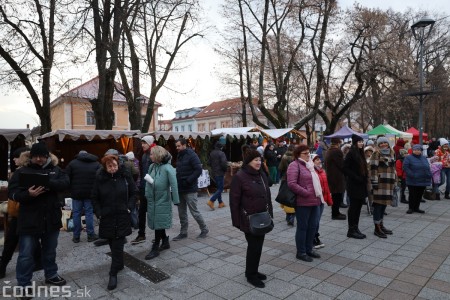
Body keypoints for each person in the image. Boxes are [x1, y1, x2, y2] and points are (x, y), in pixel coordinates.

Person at [8, 142, 70, 291]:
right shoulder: (21, 171)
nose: (39, 159)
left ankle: (51, 275)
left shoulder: (55, 169)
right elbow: (13, 193)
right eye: (35, 156)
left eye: (41, 156)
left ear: (47, 156)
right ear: (31, 157)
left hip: (51, 218)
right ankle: (23, 284)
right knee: (26, 254)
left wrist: (48, 183)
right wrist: (28, 195)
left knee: (50, 250)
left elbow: (66, 183)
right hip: (29, 220)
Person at [230, 149, 273, 288]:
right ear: (249, 162)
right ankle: (251, 275)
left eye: (260, 160)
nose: (259, 162)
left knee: (258, 246)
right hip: (248, 219)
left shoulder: (261, 175)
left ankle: (253, 271)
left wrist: (270, 214)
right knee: (254, 247)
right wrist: (236, 221)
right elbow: (234, 201)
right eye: (256, 160)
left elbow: (267, 195)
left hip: (262, 217)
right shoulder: (240, 177)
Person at [92, 154, 136, 290]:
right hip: (107, 216)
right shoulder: (100, 179)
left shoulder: (125, 176)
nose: (113, 168)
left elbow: (134, 192)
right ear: (105, 167)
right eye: (110, 166)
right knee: (112, 240)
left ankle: (113, 273)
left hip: (122, 214)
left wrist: (129, 207)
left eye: (115, 166)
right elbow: (94, 197)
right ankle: (120, 263)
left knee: (117, 241)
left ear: (118, 165)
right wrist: (99, 213)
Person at [0, 148, 42, 279]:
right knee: (27, 240)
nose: (13, 159)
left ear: (23, 158)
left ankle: (2, 267)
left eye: (16, 157)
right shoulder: (19, 172)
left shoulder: (26, 173)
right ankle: (39, 262)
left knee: (12, 241)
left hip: (23, 213)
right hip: (20, 213)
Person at [287, 144, 322, 262]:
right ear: (298, 155)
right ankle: (301, 252)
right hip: (303, 202)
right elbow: (291, 183)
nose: (308, 155)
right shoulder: (294, 165)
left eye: (308, 153)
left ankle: (309, 249)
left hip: (315, 200)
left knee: (313, 227)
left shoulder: (310, 165)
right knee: (303, 227)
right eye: (305, 153)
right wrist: (306, 192)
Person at [144, 146, 180, 260]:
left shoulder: (168, 168)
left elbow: (174, 185)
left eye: (152, 154)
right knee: (157, 222)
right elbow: (148, 179)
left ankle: (155, 247)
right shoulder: (152, 166)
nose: (150, 156)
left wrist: (176, 200)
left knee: (158, 223)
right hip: (152, 199)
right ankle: (165, 241)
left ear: (158, 155)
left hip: (162, 199)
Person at [173, 138, 209, 240]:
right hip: (180, 188)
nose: (177, 148)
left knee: (194, 212)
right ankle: (183, 232)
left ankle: (204, 229)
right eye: (176, 146)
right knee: (181, 212)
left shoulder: (192, 155)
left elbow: (198, 169)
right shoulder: (180, 155)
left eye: (179, 146)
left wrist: (188, 180)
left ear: (184, 145)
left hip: (190, 188)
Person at [65, 150, 101, 243]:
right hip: (90, 193)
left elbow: (66, 177)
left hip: (76, 193)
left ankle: (76, 236)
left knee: (76, 214)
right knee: (89, 213)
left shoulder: (72, 163)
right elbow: (100, 177)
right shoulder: (96, 163)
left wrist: (70, 188)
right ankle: (91, 235)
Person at [131, 135, 156, 245]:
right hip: (144, 188)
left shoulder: (154, 154)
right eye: (142, 143)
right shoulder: (144, 155)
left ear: (150, 143)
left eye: (144, 143)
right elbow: (142, 172)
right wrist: (141, 186)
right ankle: (141, 234)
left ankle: (159, 235)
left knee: (154, 213)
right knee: (141, 212)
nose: (142, 145)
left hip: (152, 188)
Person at [369, 137, 395, 238]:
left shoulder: (391, 153)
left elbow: (393, 169)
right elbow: (373, 169)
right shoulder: (376, 154)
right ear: (378, 145)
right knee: (378, 206)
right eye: (381, 143)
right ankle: (377, 228)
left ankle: (381, 224)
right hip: (380, 184)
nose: (384, 144)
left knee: (384, 205)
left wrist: (395, 181)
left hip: (389, 184)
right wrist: (374, 182)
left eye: (385, 142)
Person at [344, 134, 369, 239]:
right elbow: (345, 168)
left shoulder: (360, 153)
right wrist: (356, 177)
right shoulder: (351, 153)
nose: (361, 143)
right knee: (353, 207)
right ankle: (351, 230)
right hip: (354, 185)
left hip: (361, 184)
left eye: (362, 142)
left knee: (358, 207)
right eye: (359, 142)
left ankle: (356, 228)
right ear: (355, 143)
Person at [403, 144, 432, 214]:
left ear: (421, 151)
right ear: (413, 150)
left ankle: (416, 208)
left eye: (418, 150)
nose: (417, 151)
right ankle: (411, 208)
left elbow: (427, 167)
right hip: (413, 179)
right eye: (415, 150)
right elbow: (405, 167)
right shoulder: (408, 158)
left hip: (423, 179)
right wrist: (412, 175)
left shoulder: (424, 158)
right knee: (412, 194)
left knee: (419, 194)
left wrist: (429, 174)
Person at [311, 155, 333, 248]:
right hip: (315, 199)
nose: (319, 161)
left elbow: (326, 186)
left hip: (322, 199)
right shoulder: (311, 172)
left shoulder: (322, 171)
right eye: (316, 160)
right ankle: (312, 238)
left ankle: (315, 236)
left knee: (317, 220)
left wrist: (328, 197)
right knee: (314, 220)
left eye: (319, 159)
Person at [324, 138, 347, 220]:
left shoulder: (329, 151)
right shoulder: (337, 151)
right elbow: (342, 165)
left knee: (335, 195)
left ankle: (336, 212)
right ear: (338, 143)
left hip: (331, 176)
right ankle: (335, 214)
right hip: (337, 177)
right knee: (336, 196)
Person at [207, 142, 228, 210]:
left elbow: (209, 163)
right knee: (220, 189)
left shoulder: (212, 153)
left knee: (219, 187)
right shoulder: (221, 153)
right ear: (220, 147)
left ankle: (220, 202)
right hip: (220, 172)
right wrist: (225, 170)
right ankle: (211, 201)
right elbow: (224, 163)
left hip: (214, 172)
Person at [278, 145, 295, 226]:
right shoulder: (296, 157)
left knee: (286, 197)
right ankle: (292, 216)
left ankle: (288, 216)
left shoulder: (284, 157)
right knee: (293, 197)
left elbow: (280, 168)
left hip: (285, 178)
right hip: (294, 178)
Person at [125, 151, 140, 229]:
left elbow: (136, 173)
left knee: (132, 206)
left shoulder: (128, 164)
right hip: (134, 185)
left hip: (129, 187)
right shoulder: (134, 163)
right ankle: (135, 223)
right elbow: (136, 173)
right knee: (134, 205)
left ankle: (133, 223)